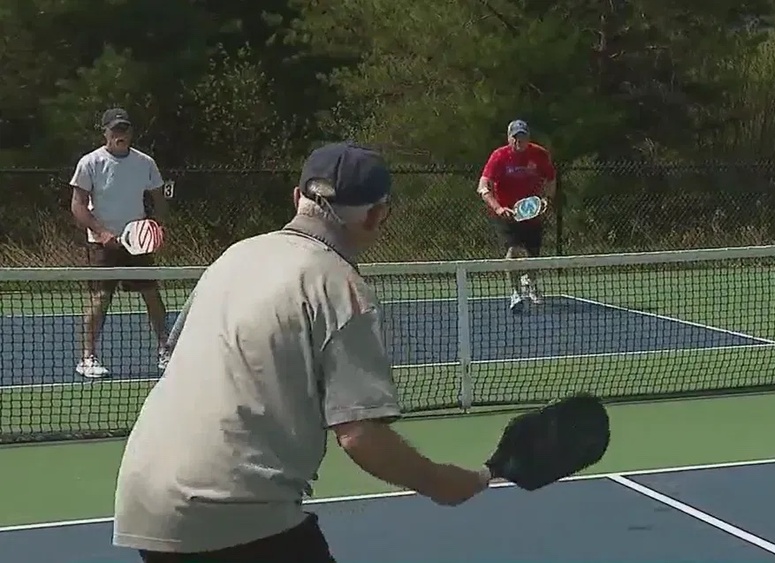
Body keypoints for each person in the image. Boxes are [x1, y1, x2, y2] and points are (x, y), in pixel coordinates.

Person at [112, 142, 493, 563]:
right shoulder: (340, 286)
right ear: (374, 216)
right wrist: (442, 481)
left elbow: (175, 354)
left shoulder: (233, 256)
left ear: (297, 198)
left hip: (142, 501)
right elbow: (360, 435)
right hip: (230, 508)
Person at [68, 107, 171, 379]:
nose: (120, 134)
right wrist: (102, 233)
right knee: (101, 298)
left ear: (131, 132)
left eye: (124, 129)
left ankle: (165, 350)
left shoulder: (145, 163)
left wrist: (156, 228)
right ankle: (87, 358)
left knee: (152, 295)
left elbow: (158, 199)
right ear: (105, 132)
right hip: (102, 245)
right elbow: (78, 206)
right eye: (115, 130)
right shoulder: (90, 163)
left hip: (137, 244)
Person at [476, 119, 557, 314]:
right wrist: (498, 208)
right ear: (509, 138)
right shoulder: (499, 157)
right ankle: (515, 293)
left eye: (523, 137)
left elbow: (551, 179)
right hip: (507, 215)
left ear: (528, 137)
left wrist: (546, 199)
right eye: (515, 137)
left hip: (532, 212)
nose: (519, 141)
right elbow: (483, 186)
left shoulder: (539, 154)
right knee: (512, 252)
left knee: (533, 257)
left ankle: (529, 281)